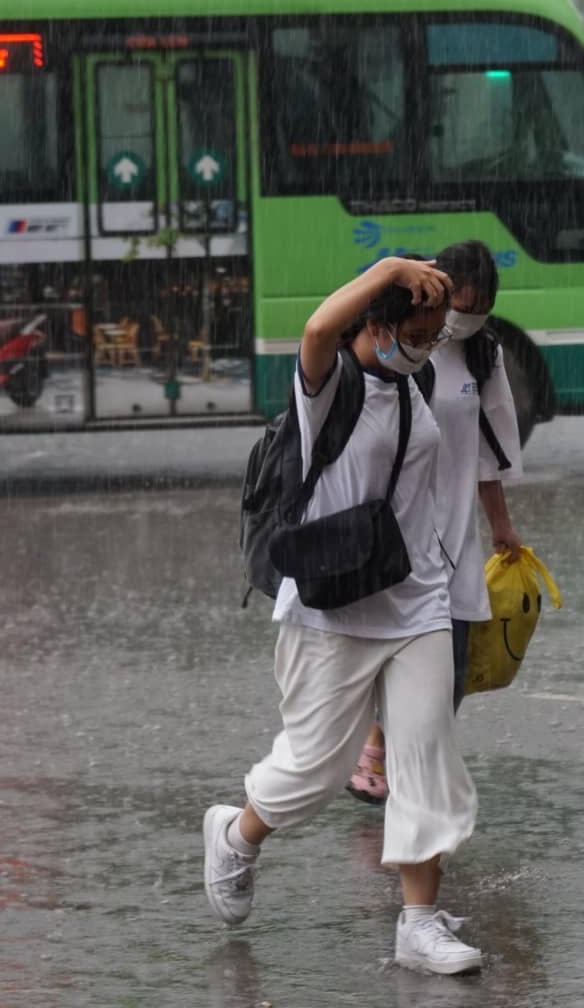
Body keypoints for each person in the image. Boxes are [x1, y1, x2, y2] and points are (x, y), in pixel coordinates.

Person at [201, 255, 485, 976]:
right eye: (415, 329)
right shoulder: (330, 386)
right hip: (331, 607)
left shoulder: (413, 380)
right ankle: (237, 832)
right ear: (378, 323)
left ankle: (418, 926)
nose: (427, 342)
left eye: (433, 329)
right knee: (314, 774)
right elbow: (318, 325)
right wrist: (389, 264)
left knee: (425, 759)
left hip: (415, 600)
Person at [347, 241, 524, 807]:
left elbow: (487, 451)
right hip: (401, 531)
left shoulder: (483, 355)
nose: (467, 319)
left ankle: (404, 759)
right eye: (462, 305)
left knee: (454, 670)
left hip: (456, 534)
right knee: (397, 652)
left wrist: (501, 525)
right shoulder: (404, 344)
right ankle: (393, 763)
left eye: (482, 308)